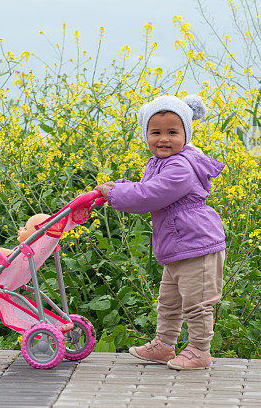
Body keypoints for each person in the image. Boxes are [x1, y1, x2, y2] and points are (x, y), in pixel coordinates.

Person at [95, 94, 226, 370]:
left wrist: (115, 193)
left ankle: (200, 351)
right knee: (168, 302)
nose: (163, 139)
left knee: (196, 304)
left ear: (186, 134)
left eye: (172, 132)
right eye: (155, 132)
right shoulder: (159, 162)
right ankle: (164, 345)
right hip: (177, 246)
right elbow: (144, 188)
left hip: (197, 245)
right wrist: (119, 186)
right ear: (146, 135)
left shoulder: (180, 167)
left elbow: (147, 196)